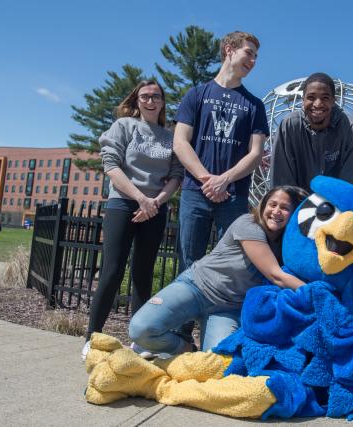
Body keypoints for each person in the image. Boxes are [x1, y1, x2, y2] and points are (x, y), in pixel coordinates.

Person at [128, 186, 308, 354]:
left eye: (284, 208)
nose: (276, 211)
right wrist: (315, 293)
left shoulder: (288, 245)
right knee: (140, 330)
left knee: (219, 360)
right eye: (273, 204)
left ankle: (192, 356)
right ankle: (185, 349)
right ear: (263, 205)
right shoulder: (248, 224)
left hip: (228, 309)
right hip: (196, 287)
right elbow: (275, 275)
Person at [82, 80, 184, 360]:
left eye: (156, 96)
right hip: (123, 204)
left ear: (163, 102)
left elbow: (176, 175)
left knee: (142, 274)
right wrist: (141, 198)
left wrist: (155, 202)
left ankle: (140, 341)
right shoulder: (124, 126)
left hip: (155, 208)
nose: (150, 101)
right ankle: (91, 338)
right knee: (111, 272)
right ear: (136, 101)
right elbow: (111, 167)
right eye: (145, 96)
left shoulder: (170, 136)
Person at [173, 30, 269, 272]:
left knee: (231, 264)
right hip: (196, 191)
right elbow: (180, 143)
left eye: (256, 56)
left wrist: (224, 180)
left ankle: (219, 312)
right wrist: (209, 181)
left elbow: (256, 153)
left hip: (234, 195)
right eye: (249, 53)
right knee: (189, 263)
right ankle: (189, 311)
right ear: (229, 50)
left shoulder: (255, 105)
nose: (253, 61)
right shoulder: (196, 95)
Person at [269, 72, 353, 193]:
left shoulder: (351, 129)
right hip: (296, 205)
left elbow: (351, 181)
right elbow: (281, 179)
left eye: (325, 98)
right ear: (303, 100)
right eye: (311, 97)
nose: (318, 104)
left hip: (337, 204)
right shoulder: (289, 126)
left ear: (333, 100)